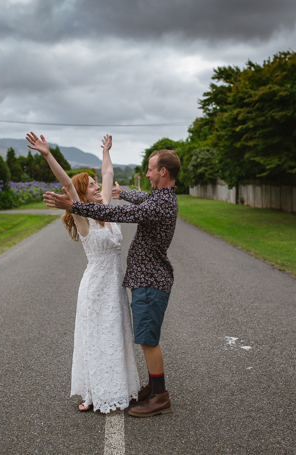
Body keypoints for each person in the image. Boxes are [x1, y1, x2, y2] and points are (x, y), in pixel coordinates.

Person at [43, 147, 180, 418]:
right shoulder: (158, 198)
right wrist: (49, 155)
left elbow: (125, 213)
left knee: (143, 339)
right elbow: (76, 183)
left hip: (146, 279)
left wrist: (74, 204)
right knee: (114, 338)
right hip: (105, 284)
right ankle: (144, 389)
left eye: (151, 169)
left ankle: (159, 395)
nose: (148, 173)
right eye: (91, 185)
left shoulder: (158, 203)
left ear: (163, 171)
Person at [26, 131, 140, 413]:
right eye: (91, 185)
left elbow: (108, 171)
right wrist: (47, 154)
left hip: (115, 287)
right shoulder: (83, 217)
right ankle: (94, 394)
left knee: (115, 338)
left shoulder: (108, 211)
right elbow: (67, 183)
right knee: (96, 340)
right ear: (82, 194)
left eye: (95, 183)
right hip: (95, 289)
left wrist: (106, 151)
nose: (98, 186)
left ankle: (117, 389)